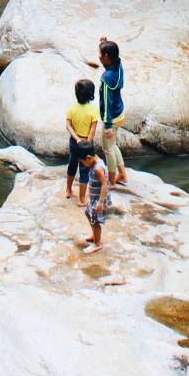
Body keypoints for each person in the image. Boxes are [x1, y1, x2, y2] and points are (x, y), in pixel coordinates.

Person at [88, 37, 128, 189]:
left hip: (112, 117)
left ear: (106, 57)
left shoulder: (106, 78)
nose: (98, 56)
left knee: (107, 149)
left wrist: (108, 125)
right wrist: (106, 43)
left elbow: (107, 102)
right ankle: (122, 174)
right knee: (113, 145)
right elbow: (114, 55)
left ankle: (111, 181)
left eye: (100, 53)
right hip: (120, 111)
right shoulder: (118, 64)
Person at [64, 79, 101, 202]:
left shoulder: (71, 108)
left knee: (72, 165)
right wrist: (87, 143)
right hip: (87, 143)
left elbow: (68, 126)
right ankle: (81, 199)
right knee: (85, 171)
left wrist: (77, 139)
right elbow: (92, 129)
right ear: (91, 94)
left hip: (75, 142)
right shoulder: (93, 110)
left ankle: (68, 190)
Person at [76, 147, 111, 253]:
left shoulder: (97, 168)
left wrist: (100, 202)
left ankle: (97, 244)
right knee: (88, 213)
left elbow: (104, 184)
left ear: (88, 157)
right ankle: (95, 235)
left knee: (95, 221)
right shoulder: (96, 160)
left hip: (99, 198)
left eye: (82, 162)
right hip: (94, 198)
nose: (83, 164)